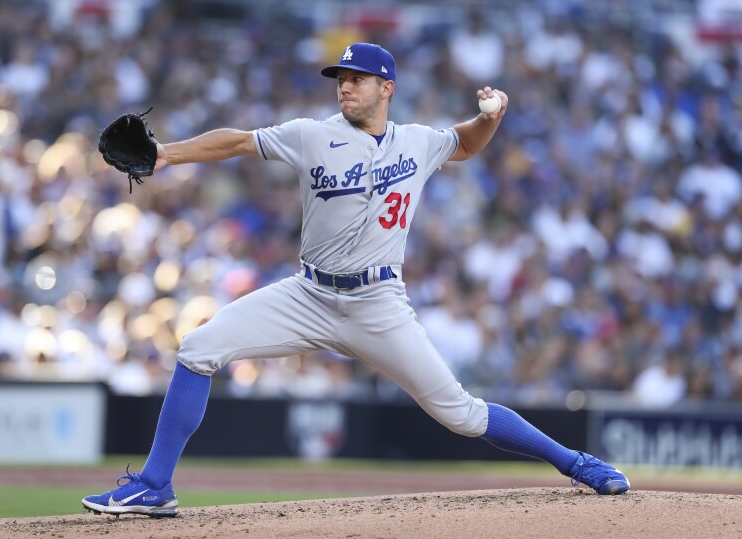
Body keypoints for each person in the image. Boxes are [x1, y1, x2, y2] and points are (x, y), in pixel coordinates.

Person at [82, 43, 630, 517]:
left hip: (378, 303)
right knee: (199, 347)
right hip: (309, 293)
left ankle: (575, 463)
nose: (344, 87)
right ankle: (155, 486)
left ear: (385, 87)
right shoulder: (311, 135)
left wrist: (490, 119)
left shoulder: (416, 142)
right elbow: (237, 141)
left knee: (461, 414)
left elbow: (463, 143)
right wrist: (167, 155)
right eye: (340, 79)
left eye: (356, 80)